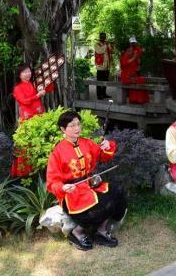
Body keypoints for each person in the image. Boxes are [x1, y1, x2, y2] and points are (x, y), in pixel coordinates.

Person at [46, 111, 128, 251]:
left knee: (118, 194)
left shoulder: (87, 143)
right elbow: (52, 182)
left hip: (91, 186)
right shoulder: (57, 152)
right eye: (72, 125)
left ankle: (101, 231)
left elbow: (103, 156)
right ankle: (76, 232)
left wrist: (106, 145)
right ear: (63, 129)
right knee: (96, 209)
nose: (77, 128)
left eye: (78, 124)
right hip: (72, 194)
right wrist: (63, 187)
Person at [11, 63, 47, 177]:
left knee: (40, 141)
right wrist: (38, 95)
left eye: (29, 71)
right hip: (27, 118)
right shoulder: (17, 88)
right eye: (24, 72)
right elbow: (24, 101)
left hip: (39, 115)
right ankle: (24, 172)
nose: (28, 74)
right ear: (19, 75)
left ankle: (40, 169)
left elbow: (48, 87)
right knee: (27, 145)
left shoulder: (34, 83)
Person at [119, 36, 149, 104]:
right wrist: (134, 57)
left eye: (131, 50)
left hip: (133, 74)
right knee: (140, 80)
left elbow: (138, 62)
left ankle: (137, 99)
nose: (131, 51)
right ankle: (136, 100)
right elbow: (125, 63)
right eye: (129, 50)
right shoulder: (124, 56)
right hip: (126, 77)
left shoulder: (136, 51)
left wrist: (137, 59)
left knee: (141, 79)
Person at [94, 32, 114, 100]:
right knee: (99, 81)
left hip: (107, 66)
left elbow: (112, 51)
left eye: (104, 36)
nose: (103, 38)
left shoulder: (106, 44)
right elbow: (100, 51)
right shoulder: (97, 44)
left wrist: (111, 45)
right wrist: (106, 45)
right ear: (100, 37)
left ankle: (104, 93)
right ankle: (99, 95)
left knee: (105, 81)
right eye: (102, 36)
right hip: (100, 66)